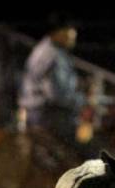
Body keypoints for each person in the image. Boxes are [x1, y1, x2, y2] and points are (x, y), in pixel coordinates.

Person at [18, 12, 85, 149]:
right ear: (58, 32)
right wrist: (82, 100)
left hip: (41, 112)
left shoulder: (48, 50)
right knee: (88, 148)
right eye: (70, 30)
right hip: (48, 114)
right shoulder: (51, 54)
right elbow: (58, 95)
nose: (73, 35)